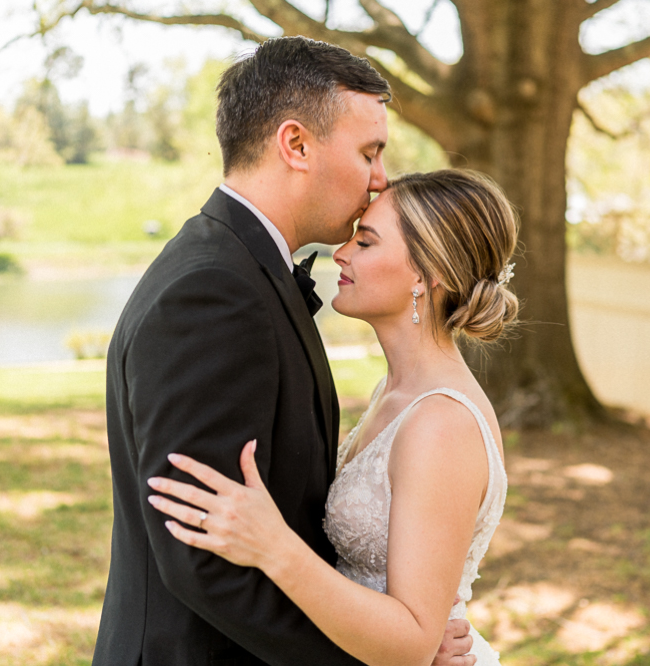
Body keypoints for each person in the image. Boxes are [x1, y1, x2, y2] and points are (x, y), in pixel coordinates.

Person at [92, 37, 477, 666]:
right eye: (369, 152)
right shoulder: (212, 293)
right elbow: (202, 560)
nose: (381, 178)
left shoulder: (244, 270)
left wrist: (397, 631)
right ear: (295, 145)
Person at [146, 169, 519, 666]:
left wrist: (274, 546)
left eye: (365, 242)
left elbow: (412, 641)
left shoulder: (441, 424)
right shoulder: (394, 392)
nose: (341, 253)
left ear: (427, 276)